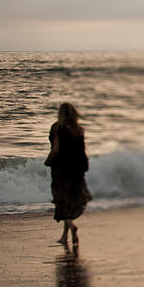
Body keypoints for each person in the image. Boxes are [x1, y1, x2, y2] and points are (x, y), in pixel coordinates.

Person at [45, 102, 92, 245]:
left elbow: (56, 150)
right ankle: (64, 236)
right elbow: (83, 152)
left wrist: (47, 161)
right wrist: (84, 168)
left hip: (61, 169)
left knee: (61, 201)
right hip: (77, 170)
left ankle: (72, 227)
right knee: (69, 202)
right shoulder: (79, 130)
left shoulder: (57, 127)